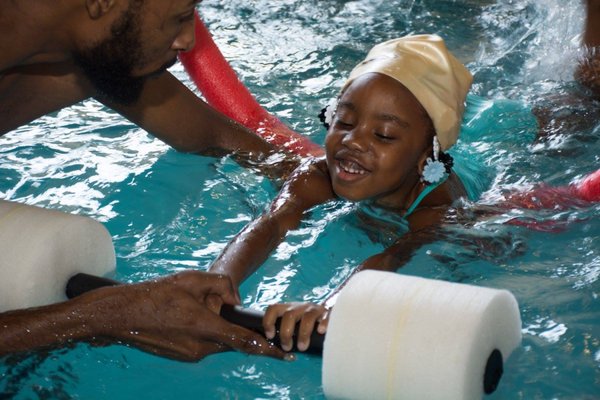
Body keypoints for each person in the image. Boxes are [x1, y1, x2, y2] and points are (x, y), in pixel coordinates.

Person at [210, 0, 600, 353]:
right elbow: (272, 223)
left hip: (496, 130)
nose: (353, 141)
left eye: (382, 135)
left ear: (422, 157)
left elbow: (391, 257)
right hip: (436, 121)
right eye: (344, 120)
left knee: (581, 105)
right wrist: (216, 283)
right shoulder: (319, 174)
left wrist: (328, 308)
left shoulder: (434, 205)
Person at [0, 0, 292, 361]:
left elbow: (215, 137)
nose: (189, 40)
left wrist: (312, 181)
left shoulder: (79, 52)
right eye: (183, 16)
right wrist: (100, 315)